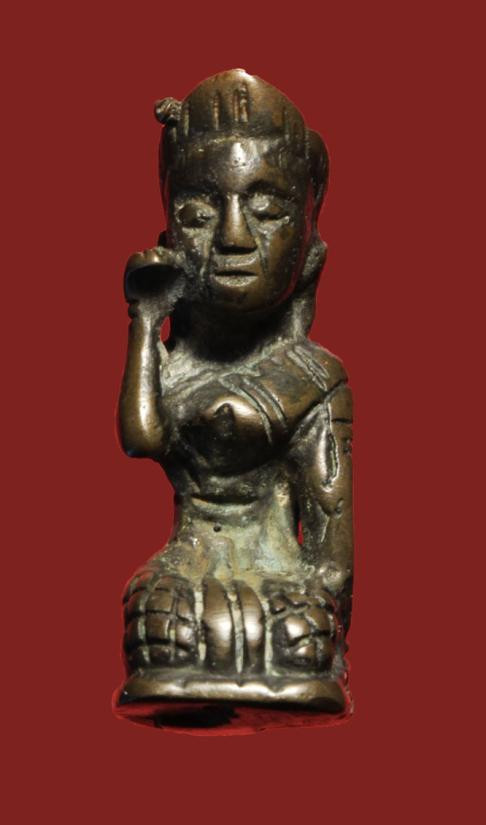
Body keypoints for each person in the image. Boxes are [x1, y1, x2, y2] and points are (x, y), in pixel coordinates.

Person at [115, 69, 353, 728]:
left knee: (294, 628)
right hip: (184, 565)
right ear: (169, 235)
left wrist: (327, 604)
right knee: (159, 615)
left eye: (268, 210)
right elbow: (141, 437)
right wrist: (144, 321)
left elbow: (331, 533)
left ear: (308, 244)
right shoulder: (174, 366)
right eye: (198, 213)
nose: (234, 237)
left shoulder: (314, 377)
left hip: (284, 584)